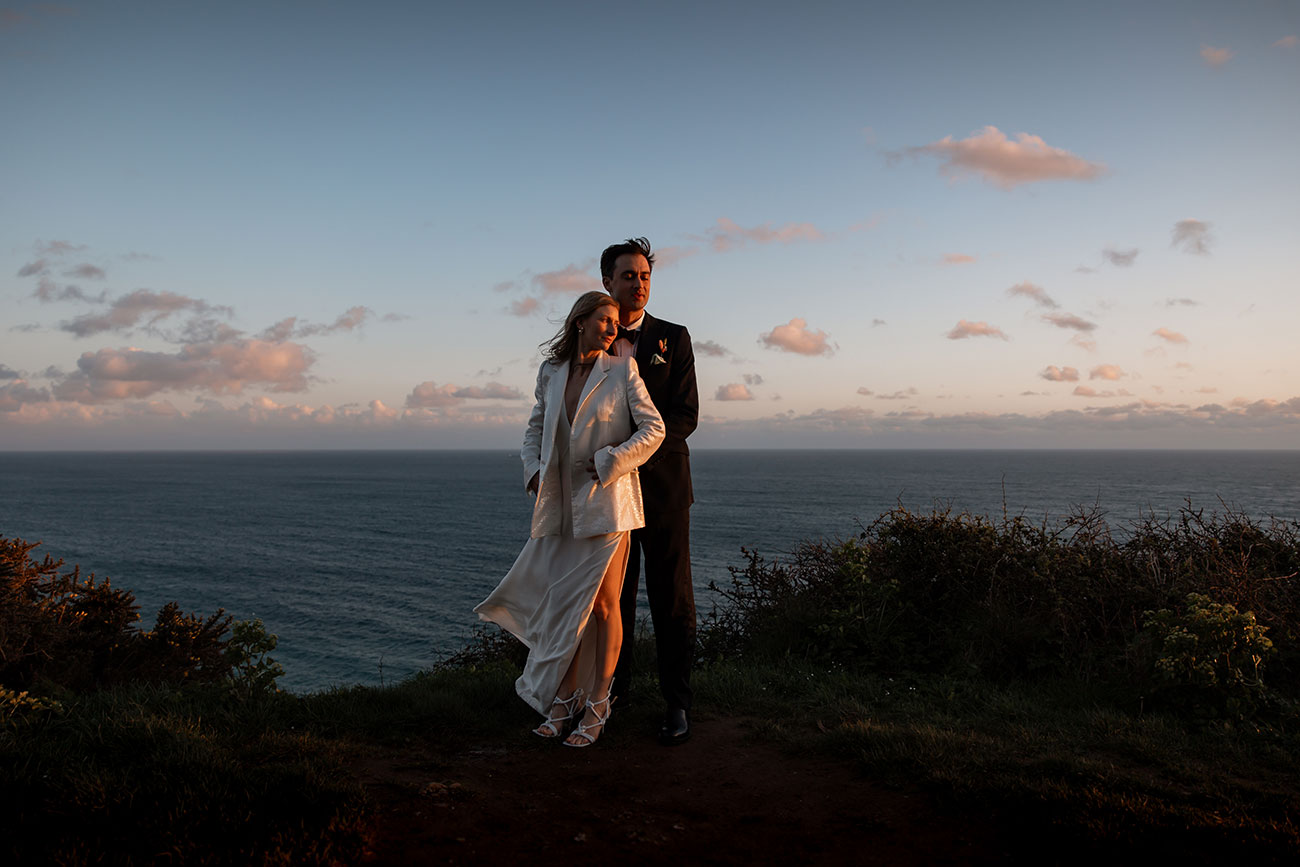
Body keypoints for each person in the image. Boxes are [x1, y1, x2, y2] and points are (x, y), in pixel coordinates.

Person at [475, 290, 664, 747]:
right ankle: (565, 698)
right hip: (561, 511)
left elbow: (654, 429)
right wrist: (534, 472)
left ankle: (599, 703)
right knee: (566, 607)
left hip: (609, 505)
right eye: (603, 319)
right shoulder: (551, 372)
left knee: (602, 606)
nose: (612, 328)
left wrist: (608, 460)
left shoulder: (623, 369)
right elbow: (534, 430)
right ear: (580, 321)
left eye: (615, 322)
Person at [602, 237, 700, 746]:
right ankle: (610, 695)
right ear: (607, 283)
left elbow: (685, 416)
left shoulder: (674, 338)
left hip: (662, 491)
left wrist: (634, 456)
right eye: (628, 276)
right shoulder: (593, 340)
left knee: (672, 599)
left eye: (644, 276)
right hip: (610, 497)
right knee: (613, 598)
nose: (638, 284)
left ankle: (676, 704)